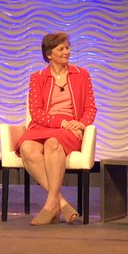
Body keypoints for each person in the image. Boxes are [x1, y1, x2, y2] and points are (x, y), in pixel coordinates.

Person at [15, 32, 97, 225]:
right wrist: (60, 123)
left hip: (69, 129)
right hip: (44, 125)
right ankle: (59, 202)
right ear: (49, 54)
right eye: (61, 49)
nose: (66, 52)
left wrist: (82, 123)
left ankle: (51, 204)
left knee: (53, 143)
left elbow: (91, 107)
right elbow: (36, 112)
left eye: (67, 47)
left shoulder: (81, 74)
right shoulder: (37, 77)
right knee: (27, 147)